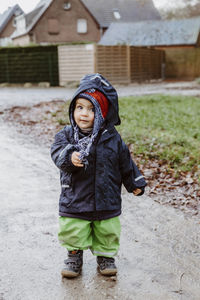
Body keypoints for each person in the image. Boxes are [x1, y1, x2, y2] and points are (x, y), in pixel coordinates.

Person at [51, 73, 147, 278]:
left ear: (103, 113)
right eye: (79, 107)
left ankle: (105, 256)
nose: (84, 114)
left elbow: (125, 162)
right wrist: (69, 156)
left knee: (107, 229)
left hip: (107, 195)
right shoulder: (66, 135)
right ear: (73, 109)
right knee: (73, 227)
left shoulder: (112, 138)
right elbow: (56, 153)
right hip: (75, 195)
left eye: (92, 109)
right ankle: (74, 256)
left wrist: (134, 182)